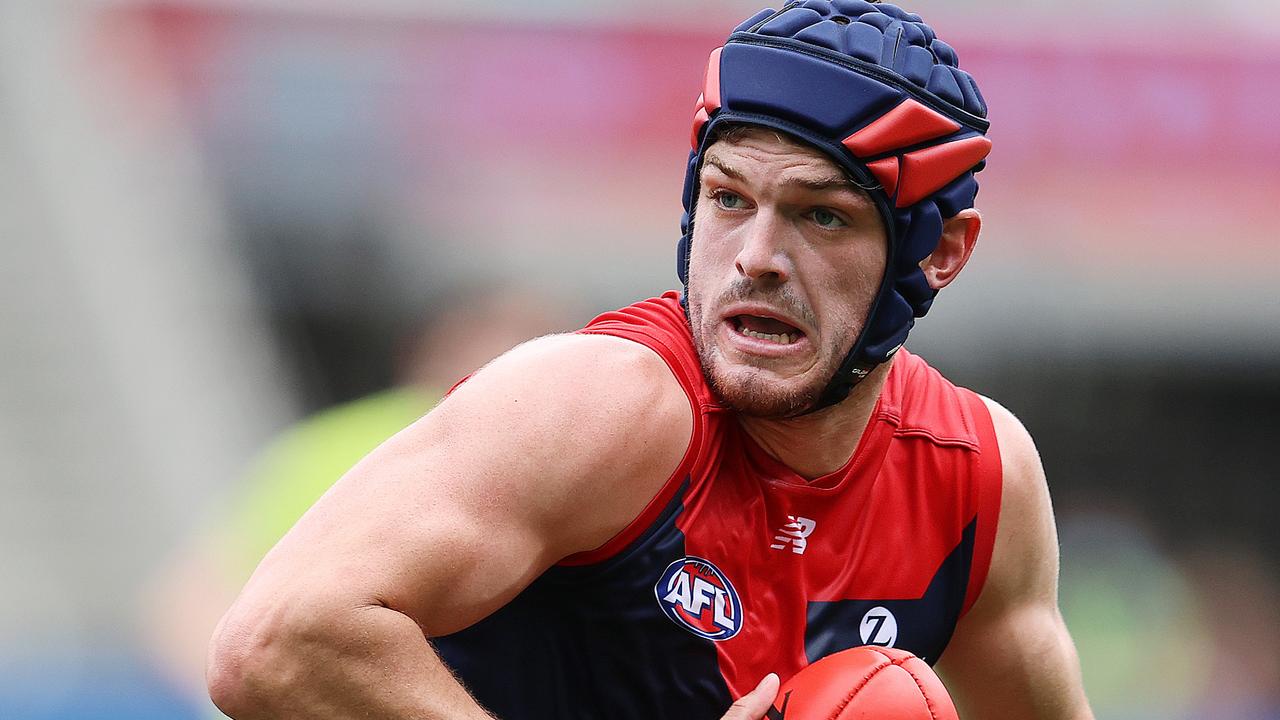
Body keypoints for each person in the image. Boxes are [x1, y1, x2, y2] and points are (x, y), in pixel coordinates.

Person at [207, 3, 1094, 719]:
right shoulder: (600, 403)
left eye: (822, 215)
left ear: (940, 252)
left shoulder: (976, 477)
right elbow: (280, 642)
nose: (756, 256)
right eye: (728, 197)